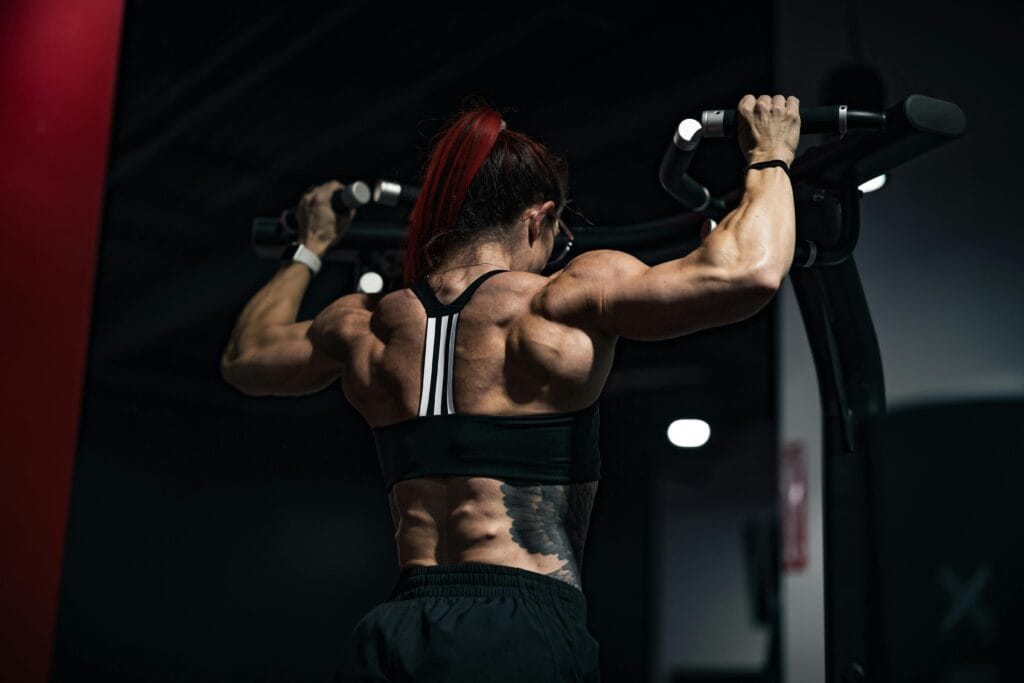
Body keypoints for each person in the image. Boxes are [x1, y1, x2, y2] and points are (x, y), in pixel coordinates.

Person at [220, 94, 801, 682]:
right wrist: (771, 156)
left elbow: (246, 356)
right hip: (519, 632)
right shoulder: (557, 302)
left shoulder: (364, 324)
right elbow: (748, 271)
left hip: (397, 630)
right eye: (555, 232)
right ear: (536, 218)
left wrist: (310, 246)